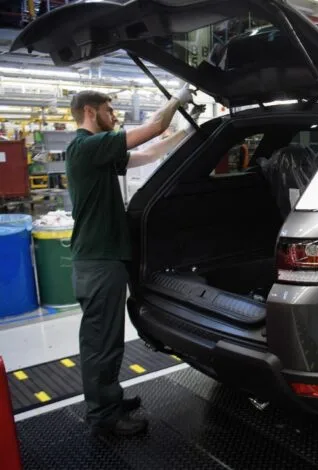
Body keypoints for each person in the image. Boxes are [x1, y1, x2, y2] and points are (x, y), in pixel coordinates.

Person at [66, 86, 194, 436]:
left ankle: (109, 399)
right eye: (108, 110)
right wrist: (176, 100)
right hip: (98, 261)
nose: (114, 115)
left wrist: (187, 132)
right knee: (100, 344)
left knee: (107, 340)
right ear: (90, 111)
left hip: (104, 259)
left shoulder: (98, 154)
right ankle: (103, 415)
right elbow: (153, 128)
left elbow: (149, 153)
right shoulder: (86, 146)